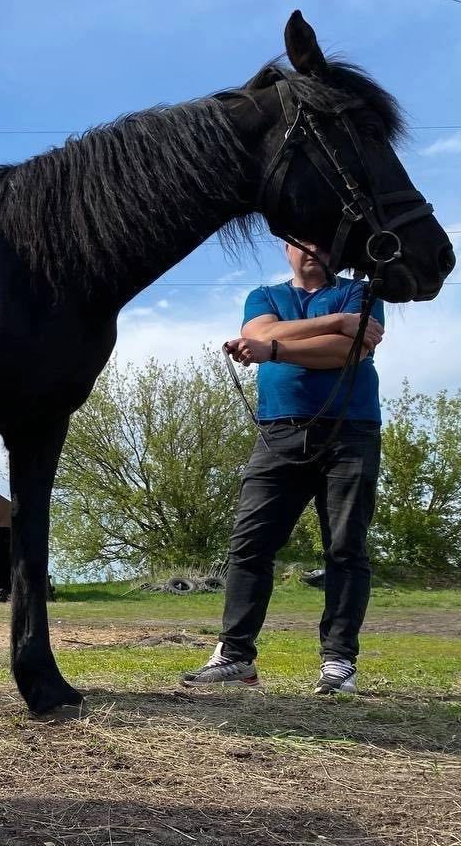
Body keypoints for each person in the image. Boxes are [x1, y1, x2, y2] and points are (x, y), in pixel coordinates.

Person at [181, 240, 385, 695]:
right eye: (302, 241)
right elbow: (260, 331)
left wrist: (273, 347)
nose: (314, 249)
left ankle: (339, 662)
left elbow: (349, 351)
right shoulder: (264, 295)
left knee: (345, 547)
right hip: (278, 432)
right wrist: (335, 323)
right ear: (286, 248)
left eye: (322, 241)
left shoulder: (363, 292)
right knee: (249, 543)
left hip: (350, 431)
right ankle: (236, 656)